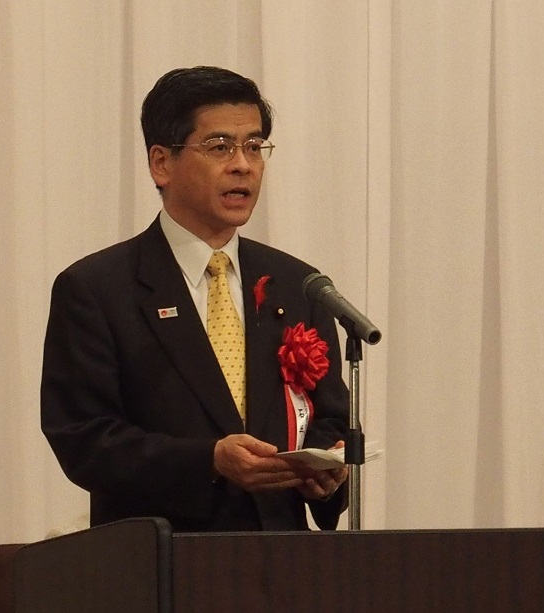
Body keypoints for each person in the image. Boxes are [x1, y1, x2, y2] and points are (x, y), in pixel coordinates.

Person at [41, 66, 349, 532]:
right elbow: (84, 439)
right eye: (220, 146)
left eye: (254, 146)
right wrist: (208, 461)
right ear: (161, 163)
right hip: (161, 556)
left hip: (283, 557)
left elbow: (330, 418)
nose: (243, 165)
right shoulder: (97, 289)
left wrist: (324, 475)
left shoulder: (299, 284)